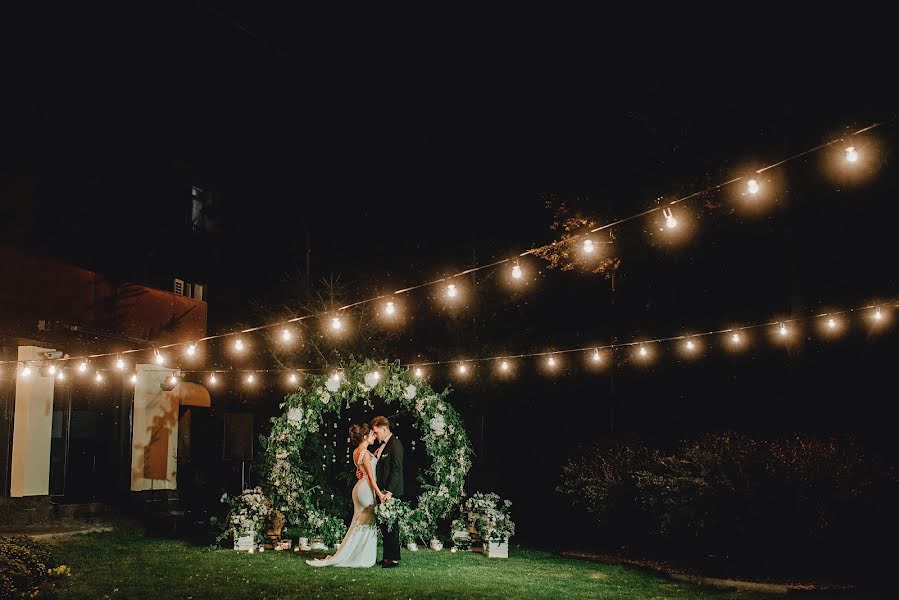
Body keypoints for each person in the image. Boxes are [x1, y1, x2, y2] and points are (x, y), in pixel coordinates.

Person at [306, 423, 385, 568]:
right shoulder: (366, 454)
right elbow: (371, 477)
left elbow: (362, 470)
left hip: (359, 488)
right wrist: (379, 494)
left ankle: (352, 552)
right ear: (365, 437)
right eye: (371, 435)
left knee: (358, 523)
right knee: (365, 523)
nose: (374, 436)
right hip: (366, 489)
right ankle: (360, 556)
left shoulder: (357, 451)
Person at [371, 415, 404, 568]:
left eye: (376, 432)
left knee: (392, 524)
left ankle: (394, 559)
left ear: (384, 429)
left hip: (391, 491)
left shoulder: (395, 444)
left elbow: (396, 470)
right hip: (382, 491)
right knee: (385, 524)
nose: (375, 435)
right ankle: (387, 557)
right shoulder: (382, 445)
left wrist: (389, 491)